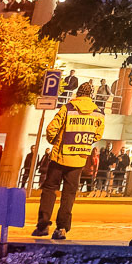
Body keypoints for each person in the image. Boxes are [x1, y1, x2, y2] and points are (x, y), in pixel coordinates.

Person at [32, 81, 105, 240]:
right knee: (69, 195)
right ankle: (62, 228)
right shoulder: (98, 113)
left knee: (49, 189)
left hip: (60, 157)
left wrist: (54, 141)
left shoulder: (67, 108)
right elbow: (97, 135)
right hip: (79, 160)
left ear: (78, 93)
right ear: (91, 96)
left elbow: (51, 129)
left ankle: (43, 225)